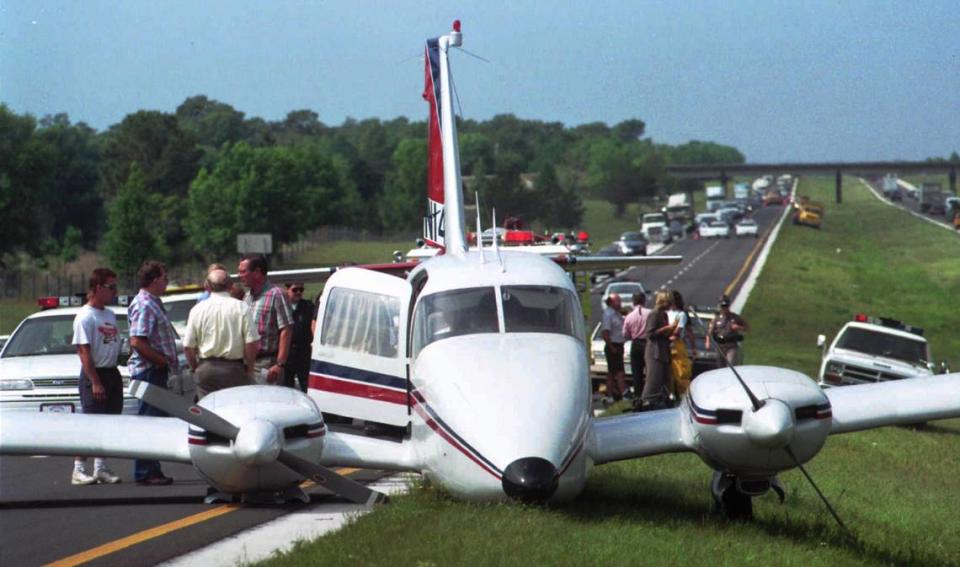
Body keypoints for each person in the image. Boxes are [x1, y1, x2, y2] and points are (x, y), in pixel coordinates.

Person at [70, 268, 123, 485]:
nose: (115, 292)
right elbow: (83, 351)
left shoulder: (109, 314)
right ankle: (78, 469)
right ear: (98, 288)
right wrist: (95, 382)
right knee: (91, 424)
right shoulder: (85, 316)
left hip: (111, 372)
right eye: (111, 287)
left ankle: (100, 467)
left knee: (108, 423)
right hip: (96, 375)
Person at [127, 260, 178, 486]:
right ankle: (145, 472)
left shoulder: (153, 303)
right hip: (149, 371)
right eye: (165, 279)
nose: (167, 283)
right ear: (155, 279)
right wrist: (159, 361)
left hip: (154, 370)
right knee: (148, 421)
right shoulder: (145, 304)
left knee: (155, 421)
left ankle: (153, 469)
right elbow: (137, 341)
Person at [183, 269, 260, 399]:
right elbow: (251, 342)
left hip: (206, 369)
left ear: (207, 286)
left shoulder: (197, 310)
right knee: (234, 409)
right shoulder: (241, 307)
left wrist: (195, 367)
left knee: (208, 412)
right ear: (230, 285)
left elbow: (187, 346)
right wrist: (250, 367)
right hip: (234, 369)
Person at [238, 254, 293, 385]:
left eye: (243, 272)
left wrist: (280, 364)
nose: (240, 276)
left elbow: (287, 329)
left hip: (267, 364)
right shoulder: (247, 297)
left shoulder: (276, 294)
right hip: (248, 364)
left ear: (257, 272)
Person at [641, 291, 674, 410]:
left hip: (663, 349)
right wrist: (665, 329)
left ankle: (661, 401)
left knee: (664, 378)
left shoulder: (663, 314)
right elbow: (650, 334)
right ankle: (646, 402)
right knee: (653, 378)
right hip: (654, 350)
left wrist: (669, 331)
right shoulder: (654, 314)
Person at [284, 282, 315, 392]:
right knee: (287, 386)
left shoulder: (308, 306)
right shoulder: (283, 306)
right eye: (295, 290)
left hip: (303, 353)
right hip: (287, 353)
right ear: (287, 290)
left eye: (301, 290)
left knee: (306, 385)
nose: (298, 292)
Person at [622, 292, 650, 409]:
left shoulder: (629, 316)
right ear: (644, 301)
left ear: (633, 302)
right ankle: (648, 395)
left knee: (636, 373)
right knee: (649, 371)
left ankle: (638, 397)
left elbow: (625, 334)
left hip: (636, 344)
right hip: (647, 343)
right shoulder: (650, 314)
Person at [667, 290, 695, 399]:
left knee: (681, 373)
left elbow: (678, 332)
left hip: (677, 345)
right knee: (669, 373)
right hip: (666, 346)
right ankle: (671, 395)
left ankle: (684, 396)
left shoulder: (682, 314)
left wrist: (693, 348)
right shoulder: (666, 313)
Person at [706, 295, 749, 367]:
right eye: (723, 306)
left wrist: (739, 327)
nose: (724, 308)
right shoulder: (716, 319)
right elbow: (710, 332)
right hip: (720, 346)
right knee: (720, 366)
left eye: (726, 306)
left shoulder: (735, 317)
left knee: (731, 364)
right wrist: (707, 342)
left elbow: (747, 327)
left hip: (731, 345)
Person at [600, 293, 626, 403]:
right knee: (618, 372)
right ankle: (623, 393)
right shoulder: (608, 314)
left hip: (619, 345)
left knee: (613, 373)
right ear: (611, 303)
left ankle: (611, 394)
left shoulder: (617, 314)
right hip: (613, 346)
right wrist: (611, 347)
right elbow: (605, 333)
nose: (620, 303)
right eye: (617, 301)